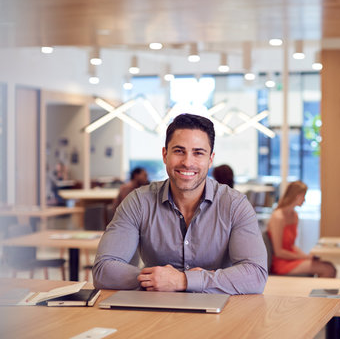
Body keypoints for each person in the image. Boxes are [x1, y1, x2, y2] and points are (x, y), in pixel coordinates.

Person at [92, 113, 268, 294]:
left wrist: (182, 281)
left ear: (210, 159)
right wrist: (156, 280)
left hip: (220, 314)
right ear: (164, 154)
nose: (187, 162)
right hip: (155, 311)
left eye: (198, 153)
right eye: (178, 151)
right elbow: (103, 270)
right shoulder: (138, 202)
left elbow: (256, 275)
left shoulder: (235, 205)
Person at [266, 180, 337, 277]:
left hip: (291, 258)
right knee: (328, 269)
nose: (304, 200)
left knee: (329, 266)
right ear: (296, 196)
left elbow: (292, 246)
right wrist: (304, 257)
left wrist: (306, 257)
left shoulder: (294, 215)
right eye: (304, 196)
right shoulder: (278, 217)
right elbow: (279, 252)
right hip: (281, 263)